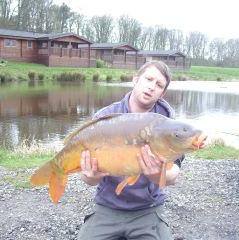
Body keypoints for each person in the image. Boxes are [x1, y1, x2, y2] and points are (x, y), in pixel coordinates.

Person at [78, 60, 183, 240]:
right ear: (136, 80)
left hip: (148, 209)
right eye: (148, 79)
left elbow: (173, 177)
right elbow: (88, 180)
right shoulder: (104, 117)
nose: (151, 87)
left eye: (158, 85)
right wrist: (91, 175)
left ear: (162, 93)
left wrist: (155, 175)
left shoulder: (171, 127)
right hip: (108, 206)